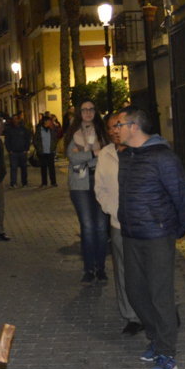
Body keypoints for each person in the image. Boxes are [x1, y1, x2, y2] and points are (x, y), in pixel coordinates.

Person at [115, 105, 185, 369]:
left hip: (158, 235)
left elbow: (181, 196)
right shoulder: (127, 156)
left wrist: (178, 229)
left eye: (119, 125)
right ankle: (156, 338)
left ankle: (167, 353)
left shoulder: (163, 157)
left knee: (160, 294)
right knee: (135, 292)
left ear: (134, 126)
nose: (116, 130)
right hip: (131, 233)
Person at [94, 111, 142, 334]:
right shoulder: (105, 154)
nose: (114, 131)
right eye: (110, 127)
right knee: (123, 272)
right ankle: (131, 316)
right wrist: (113, 210)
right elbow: (100, 188)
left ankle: (156, 310)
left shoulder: (140, 151)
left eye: (118, 125)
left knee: (148, 270)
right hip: (118, 223)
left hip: (143, 223)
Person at [66, 100, 109, 284]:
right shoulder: (73, 133)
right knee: (88, 227)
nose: (88, 112)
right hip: (80, 185)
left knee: (101, 228)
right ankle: (89, 269)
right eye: (84, 110)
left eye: (91, 109)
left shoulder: (104, 133)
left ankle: (101, 268)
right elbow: (72, 157)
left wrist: (84, 154)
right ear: (79, 113)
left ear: (95, 112)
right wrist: (93, 153)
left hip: (101, 183)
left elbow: (107, 154)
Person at [4, 113, 32, 188]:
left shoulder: (23, 129)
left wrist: (26, 149)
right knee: (13, 168)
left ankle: (24, 182)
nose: (15, 121)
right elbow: (7, 140)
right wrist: (9, 150)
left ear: (18, 120)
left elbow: (27, 139)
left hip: (22, 151)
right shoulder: (9, 130)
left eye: (16, 119)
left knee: (24, 168)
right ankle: (13, 183)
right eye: (13, 119)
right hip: (13, 152)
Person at [33, 114, 59, 187]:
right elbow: (35, 140)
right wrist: (39, 148)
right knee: (43, 168)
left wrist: (53, 147)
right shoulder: (39, 130)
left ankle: (53, 182)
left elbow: (55, 139)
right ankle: (44, 183)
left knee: (52, 168)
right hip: (42, 152)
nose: (50, 122)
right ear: (45, 121)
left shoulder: (51, 130)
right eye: (49, 121)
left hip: (50, 152)